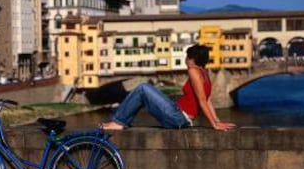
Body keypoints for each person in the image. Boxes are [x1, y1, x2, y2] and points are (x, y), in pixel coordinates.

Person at [100, 44, 236, 131]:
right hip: (180, 116)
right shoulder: (205, 73)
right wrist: (216, 120)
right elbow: (208, 100)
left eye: (187, 57)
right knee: (146, 91)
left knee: (143, 88)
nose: (185, 59)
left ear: (193, 59)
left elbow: (202, 100)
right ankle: (121, 121)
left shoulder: (193, 71)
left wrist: (214, 124)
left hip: (177, 117)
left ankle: (119, 122)